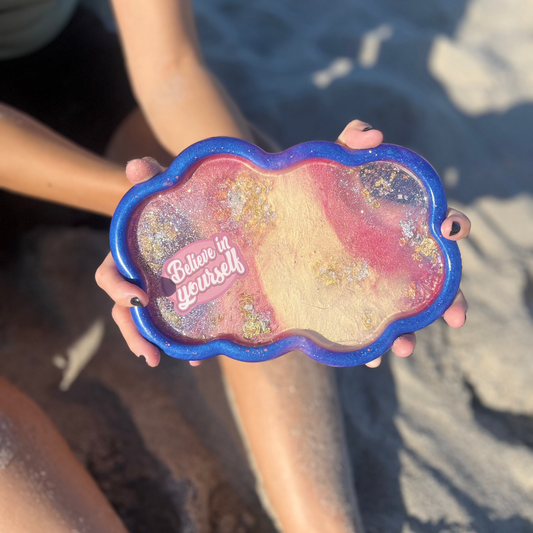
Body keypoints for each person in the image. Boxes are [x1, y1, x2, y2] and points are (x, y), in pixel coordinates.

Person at [0, 1, 470, 531]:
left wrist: (249, 203)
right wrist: (154, 214)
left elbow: (171, 67)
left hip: (62, 68)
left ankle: (322, 521)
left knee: (273, 200)